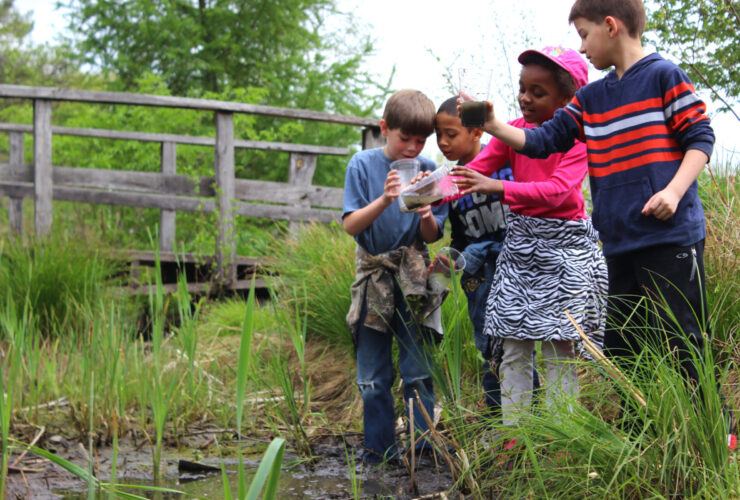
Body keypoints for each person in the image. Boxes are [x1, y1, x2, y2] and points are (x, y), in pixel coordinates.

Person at [472, 0, 731, 446]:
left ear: (610, 27)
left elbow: (700, 138)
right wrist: (494, 123)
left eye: (584, 34)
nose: (583, 48)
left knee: (683, 337)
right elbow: (541, 140)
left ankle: (717, 433)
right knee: (625, 347)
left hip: (671, 236)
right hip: (618, 241)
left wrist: (672, 190)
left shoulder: (663, 76)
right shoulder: (591, 99)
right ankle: (641, 437)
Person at [450, 46, 608, 429]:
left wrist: (498, 189)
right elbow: (473, 172)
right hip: (521, 246)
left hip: (563, 247)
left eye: (538, 93)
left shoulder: (577, 138)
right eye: (522, 89)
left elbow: (557, 190)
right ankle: (514, 434)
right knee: (513, 347)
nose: (524, 98)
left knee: (558, 347)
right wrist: (426, 191)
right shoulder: (515, 132)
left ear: (569, 101)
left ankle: (560, 435)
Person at [343, 89, 449, 465]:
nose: (412, 147)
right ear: (385, 128)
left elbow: (434, 236)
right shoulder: (362, 164)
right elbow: (351, 224)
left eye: (421, 140)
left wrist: (425, 216)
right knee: (372, 375)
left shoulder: (428, 167)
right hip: (375, 277)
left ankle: (422, 448)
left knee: (417, 368)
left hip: (414, 276)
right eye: (405, 137)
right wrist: (385, 199)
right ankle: (379, 450)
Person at [434, 97, 539, 417]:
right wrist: (453, 259)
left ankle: (530, 417)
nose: (442, 142)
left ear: (477, 133)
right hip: (479, 275)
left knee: (520, 343)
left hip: (516, 266)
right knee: (487, 345)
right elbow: (460, 236)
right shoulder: (449, 182)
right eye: (438, 135)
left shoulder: (507, 165)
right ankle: (498, 418)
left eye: (451, 134)